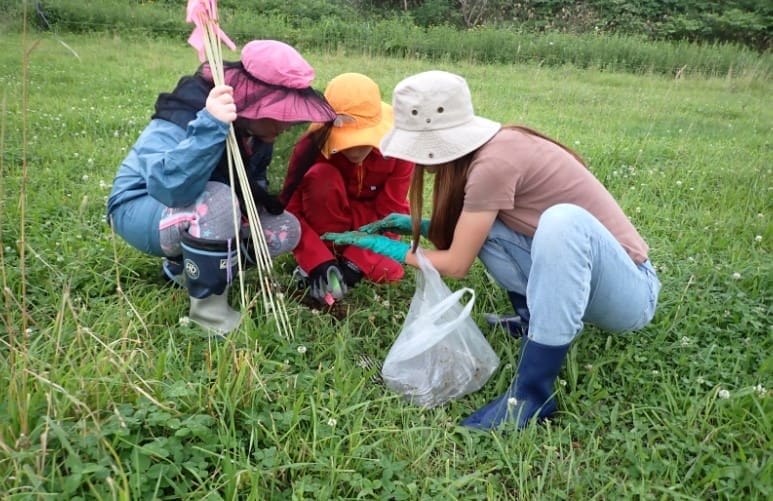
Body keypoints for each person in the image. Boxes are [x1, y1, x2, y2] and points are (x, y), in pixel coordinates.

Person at [322, 70, 661, 430]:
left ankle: (533, 393)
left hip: (630, 294)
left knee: (564, 222)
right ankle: (534, 320)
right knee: (490, 229)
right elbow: (469, 231)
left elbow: (455, 264)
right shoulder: (492, 150)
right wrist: (417, 226)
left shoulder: (492, 165)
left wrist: (387, 248)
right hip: (589, 281)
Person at [106, 40, 336, 334]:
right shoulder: (191, 111)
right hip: (139, 207)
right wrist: (210, 127)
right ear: (255, 100)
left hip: (192, 209)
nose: (287, 125)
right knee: (217, 202)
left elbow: (255, 190)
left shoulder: (255, 132)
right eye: (280, 112)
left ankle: (183, 270)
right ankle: (210, 316)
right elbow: (168, 187)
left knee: (283, 228)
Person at [278, 72, 414, 305]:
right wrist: (317, 259)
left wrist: (356, 262)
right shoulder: (309, 146)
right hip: (325, 218)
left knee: (391, 272)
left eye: (363, 140)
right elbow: (291, 210)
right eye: (346, 140)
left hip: (372, 222)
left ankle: (346, 262)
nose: (355, 150)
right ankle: (328, 256)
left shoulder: (400, 147)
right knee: (321, 177)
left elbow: (392, 210)